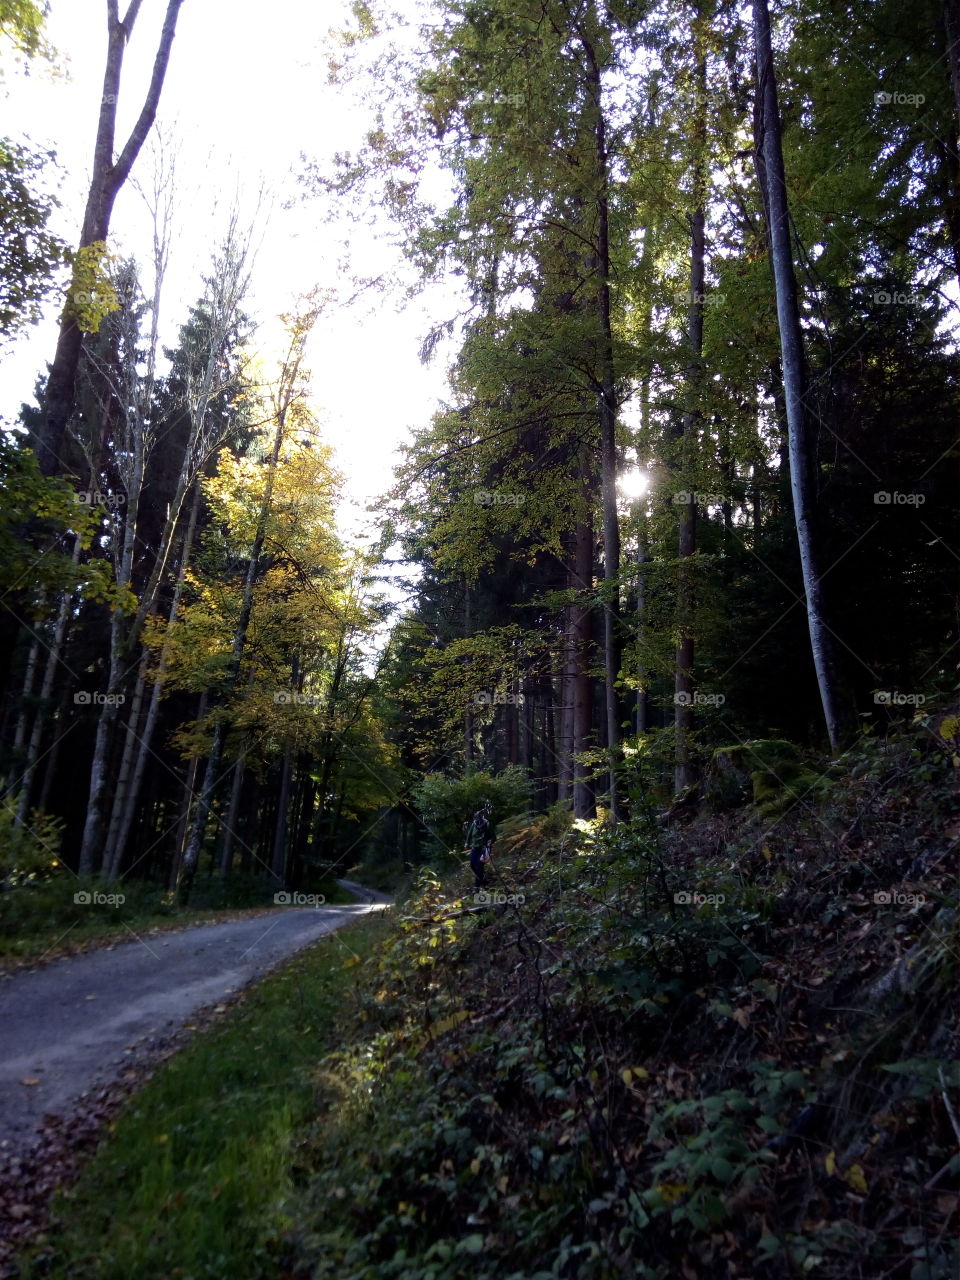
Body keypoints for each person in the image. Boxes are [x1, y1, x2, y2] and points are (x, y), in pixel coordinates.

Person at [464, 799, 496, 889]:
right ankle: (484, 881)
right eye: (476, 819)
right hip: (475, 848)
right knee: (472, 865)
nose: (478, 821)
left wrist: (489, 844)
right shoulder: (474, 824)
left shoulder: (487, 824)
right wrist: (467, 843)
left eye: (479, 820)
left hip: (484, 848)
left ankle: (477, 886)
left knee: (479, 866)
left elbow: (493, 837)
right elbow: (469, 834)